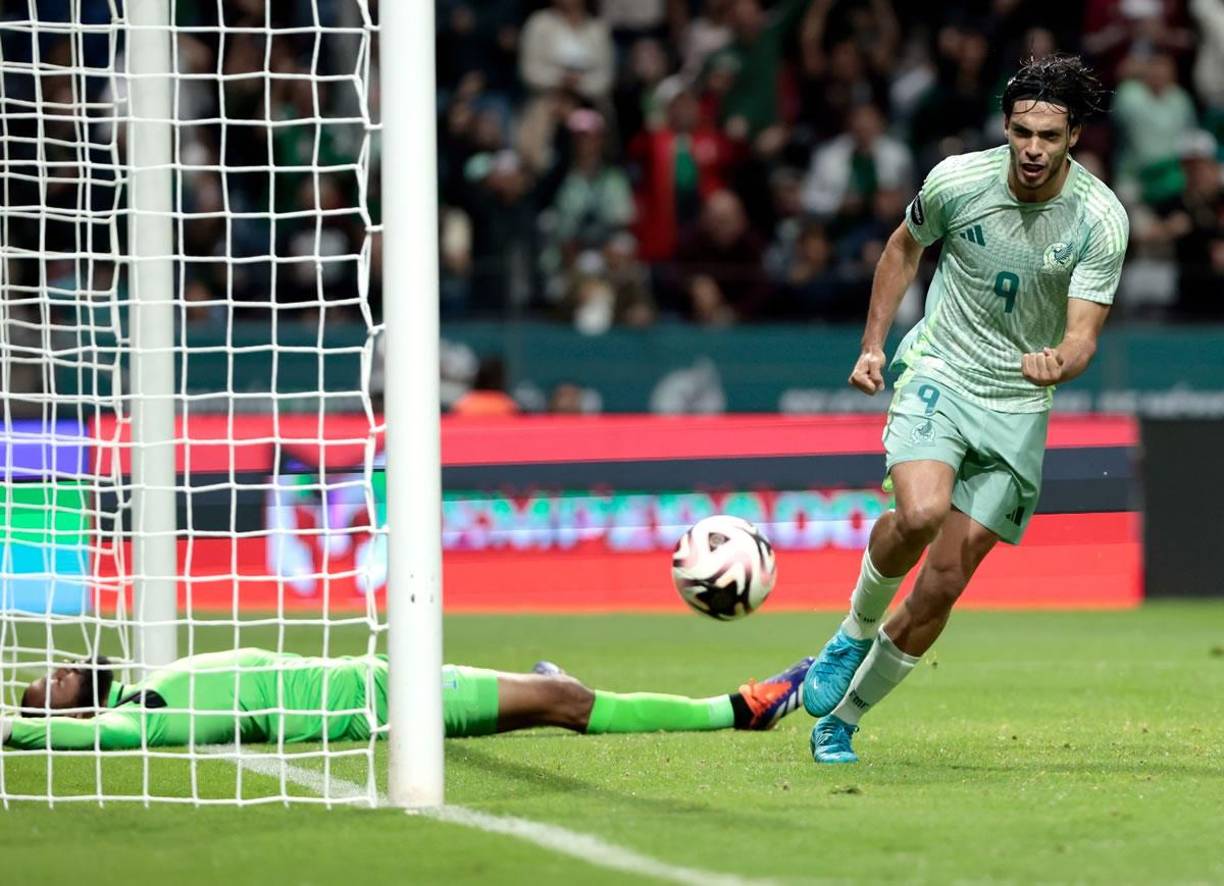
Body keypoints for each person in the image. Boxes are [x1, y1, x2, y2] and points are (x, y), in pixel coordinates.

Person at [801, 55, 1129, 764]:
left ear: (1073, 134)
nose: (1033, 149)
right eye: (1021, 133)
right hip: (943, 372)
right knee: (920, 514)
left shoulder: (1101, 219)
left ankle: (844, 719)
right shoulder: (956, 181)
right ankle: (853, 630)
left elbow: (1082, 338)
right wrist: (872, 346)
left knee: (943, 585)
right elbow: (901, 249)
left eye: (1049, 135)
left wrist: (1059, 362)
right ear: (1005, 128)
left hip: (1018, 403)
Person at [1, 650, 813, 750]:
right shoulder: (154, 714)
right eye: (55, 684)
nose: (64, 667)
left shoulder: (155, 678)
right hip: (388, 700)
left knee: (561, 695)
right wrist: (13, 729)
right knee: (571, 702)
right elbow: (86, 744)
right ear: (72, 708)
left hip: (386, 678)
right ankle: (739, 709)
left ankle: (545, 683)